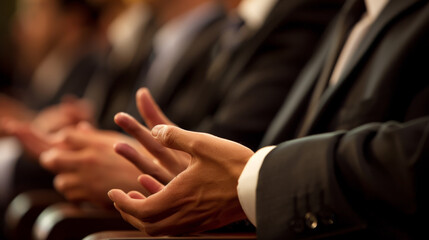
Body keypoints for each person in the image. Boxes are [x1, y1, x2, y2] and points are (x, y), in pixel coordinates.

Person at [108, 0, 429, 238]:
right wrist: (201, 179)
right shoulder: (354, 13)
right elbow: (276, 149)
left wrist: (252, 184)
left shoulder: (315, 11)